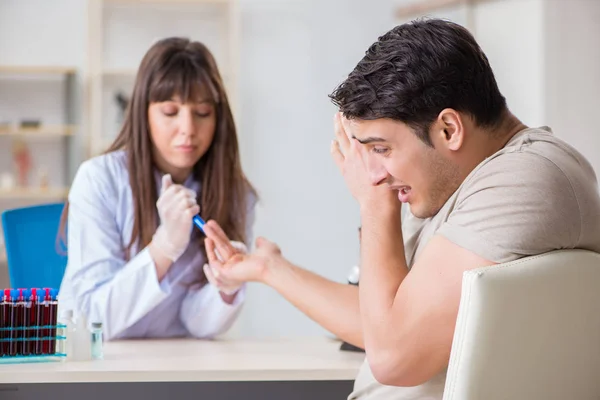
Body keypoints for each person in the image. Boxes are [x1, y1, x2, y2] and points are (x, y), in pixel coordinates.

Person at [199, 19, 600, 400]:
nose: (372, 173)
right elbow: (382, 324)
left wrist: (374, 204)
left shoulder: (528, 177)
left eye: (380, 149)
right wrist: (269, 268)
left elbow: (393, 357)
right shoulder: (455, 183)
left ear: (448, 129)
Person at [58, 37, 257, 341]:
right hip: (95, 365)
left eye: (202, 112)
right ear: (144, 113)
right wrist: (164, 248)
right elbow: (89, 321)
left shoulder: (236, 193)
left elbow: (196, 324)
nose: (188, 128)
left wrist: (226, 286)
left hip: (175, 365)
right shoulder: (99, 179)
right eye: (169, 111)